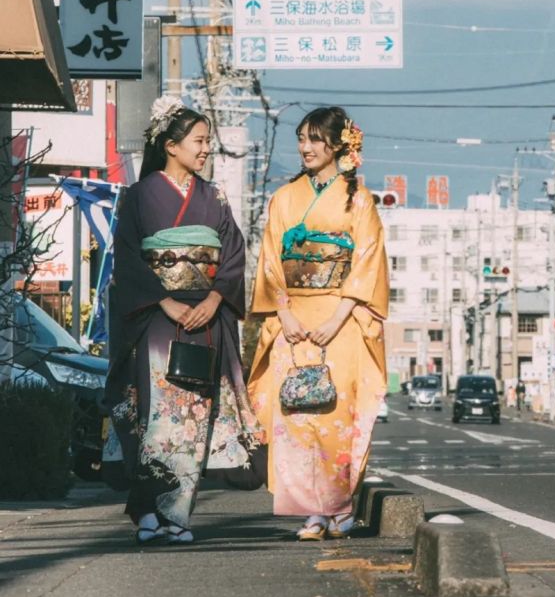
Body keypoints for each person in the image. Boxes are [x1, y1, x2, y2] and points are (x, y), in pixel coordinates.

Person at [106, 96, 266, 545]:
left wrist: (215, 298)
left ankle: (177, 513)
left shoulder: (214, 197)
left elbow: (232, 254)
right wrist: (163, 301)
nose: (206, 149)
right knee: (157, 415)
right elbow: (127, 259)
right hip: (157, 318)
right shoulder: (139, 196)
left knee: (194, 414)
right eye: (198, 141)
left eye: (207, 141)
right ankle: (146, 510)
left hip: (205, 317)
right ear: (170, 145)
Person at [248, 107, 388, 541]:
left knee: (337, 412)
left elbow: (367, 261)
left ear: (338, 145)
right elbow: (271, 260)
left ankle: (339, 506)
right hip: (293, 316)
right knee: (294, 414)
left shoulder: (358, 200)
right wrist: (284, 313)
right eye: (301, 139)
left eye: (314, 139)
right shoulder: (284, 198)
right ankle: (311, 511)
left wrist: (339, 316)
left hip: (341, 318)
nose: (305, 148)